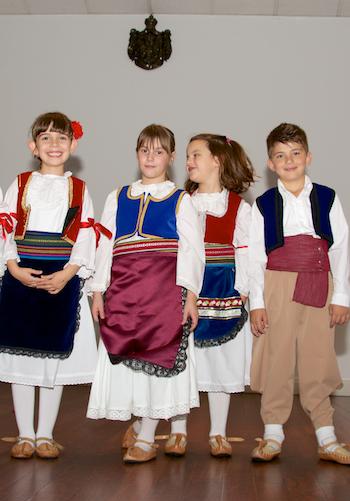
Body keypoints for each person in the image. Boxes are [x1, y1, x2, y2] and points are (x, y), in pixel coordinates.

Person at [87, 124, 205, 463]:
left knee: (159, 359)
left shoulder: (181, 200)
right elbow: (105, 245)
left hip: (164, 294)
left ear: (170, 157)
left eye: (158, 151)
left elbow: (192, 251)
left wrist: (191, 296)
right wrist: (98, 291)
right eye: (144, 150)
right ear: (136, 154)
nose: (150, 157)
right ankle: (140, 426)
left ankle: (147, 437)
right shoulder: (118, 196)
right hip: (123, 293)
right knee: (129, 363)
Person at [249, 122, 350, 464]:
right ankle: (272, 434)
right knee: (276, 355)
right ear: (270, 163)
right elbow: (254, 259)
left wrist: (342, 297)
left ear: (308, 157)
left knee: (317, 356)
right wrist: (258, 303)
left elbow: (341, 250)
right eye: (280, 155)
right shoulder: (262, 205)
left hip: (320, 282)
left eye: (295, 154)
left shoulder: (327, 197)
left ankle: (326, 436)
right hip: (277, 283)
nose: (288, 161)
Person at [0, 112, 98, 459]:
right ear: (33, 146)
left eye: (61, 138)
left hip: (61, 279)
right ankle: (25, 435)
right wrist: (12, 267)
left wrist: (69, 273)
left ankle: (45, 435)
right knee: (21, 359)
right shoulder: (21, 182)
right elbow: (6, 228)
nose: (54, 145)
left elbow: (86, 236)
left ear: (73, 145)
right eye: (46, 139)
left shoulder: (81, 189)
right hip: (21, 276)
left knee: (52, 360)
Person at [164, 134, 254, 458]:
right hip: (185, 289)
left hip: (223, 289)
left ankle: (218, 431)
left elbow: (245, 249)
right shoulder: (179, 201)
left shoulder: (238, 207)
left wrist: (243, 289)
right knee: (181, 361)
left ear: (217, 160)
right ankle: (177, 431)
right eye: (187, 156)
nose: (189, 162)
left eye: (196, 155)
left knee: (221, 363)